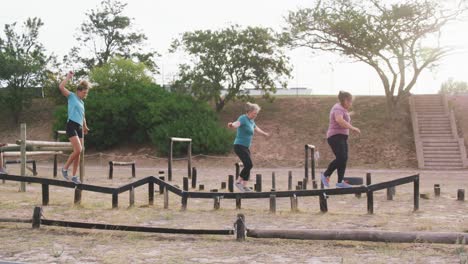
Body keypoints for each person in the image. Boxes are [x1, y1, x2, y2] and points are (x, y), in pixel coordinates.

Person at [321, 91, 360, 189]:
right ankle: (326, 175)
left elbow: (343, 116)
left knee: (343, 158)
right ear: (345, 100)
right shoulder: (337, 108)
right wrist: (352, 128)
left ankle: (340, 182)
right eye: (350, 102)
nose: (351, 104)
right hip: (335, 137)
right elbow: (339, 120)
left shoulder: (342, 109)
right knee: (341, 158)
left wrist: (350, 113)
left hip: (342, 137)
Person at [228, 102, 270, 192]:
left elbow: (256, 128)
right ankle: (238, 182)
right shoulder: (243, 118)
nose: (256, 115)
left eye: (257, 114)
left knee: (249, 165)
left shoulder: (251, 121)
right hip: (239, 146)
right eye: (255, 113)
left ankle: (244, 186)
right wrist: (232, 125)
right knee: (249, 164)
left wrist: (264, 134)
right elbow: (237, 123)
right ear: (249, 111)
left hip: (245, 147)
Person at [58, 71, 90, 184]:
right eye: (84, 93)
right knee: (78, 149)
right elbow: (61, 87)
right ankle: (64, 168)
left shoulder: (82, 103)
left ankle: (74, 176)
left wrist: (85, 126)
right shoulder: (71, 96)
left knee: (79, 153)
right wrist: (68, 77)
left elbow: (83, 115)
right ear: (78, 91)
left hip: (79, 127)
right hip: (71, 125)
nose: (85, 95)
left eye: (86, 93)